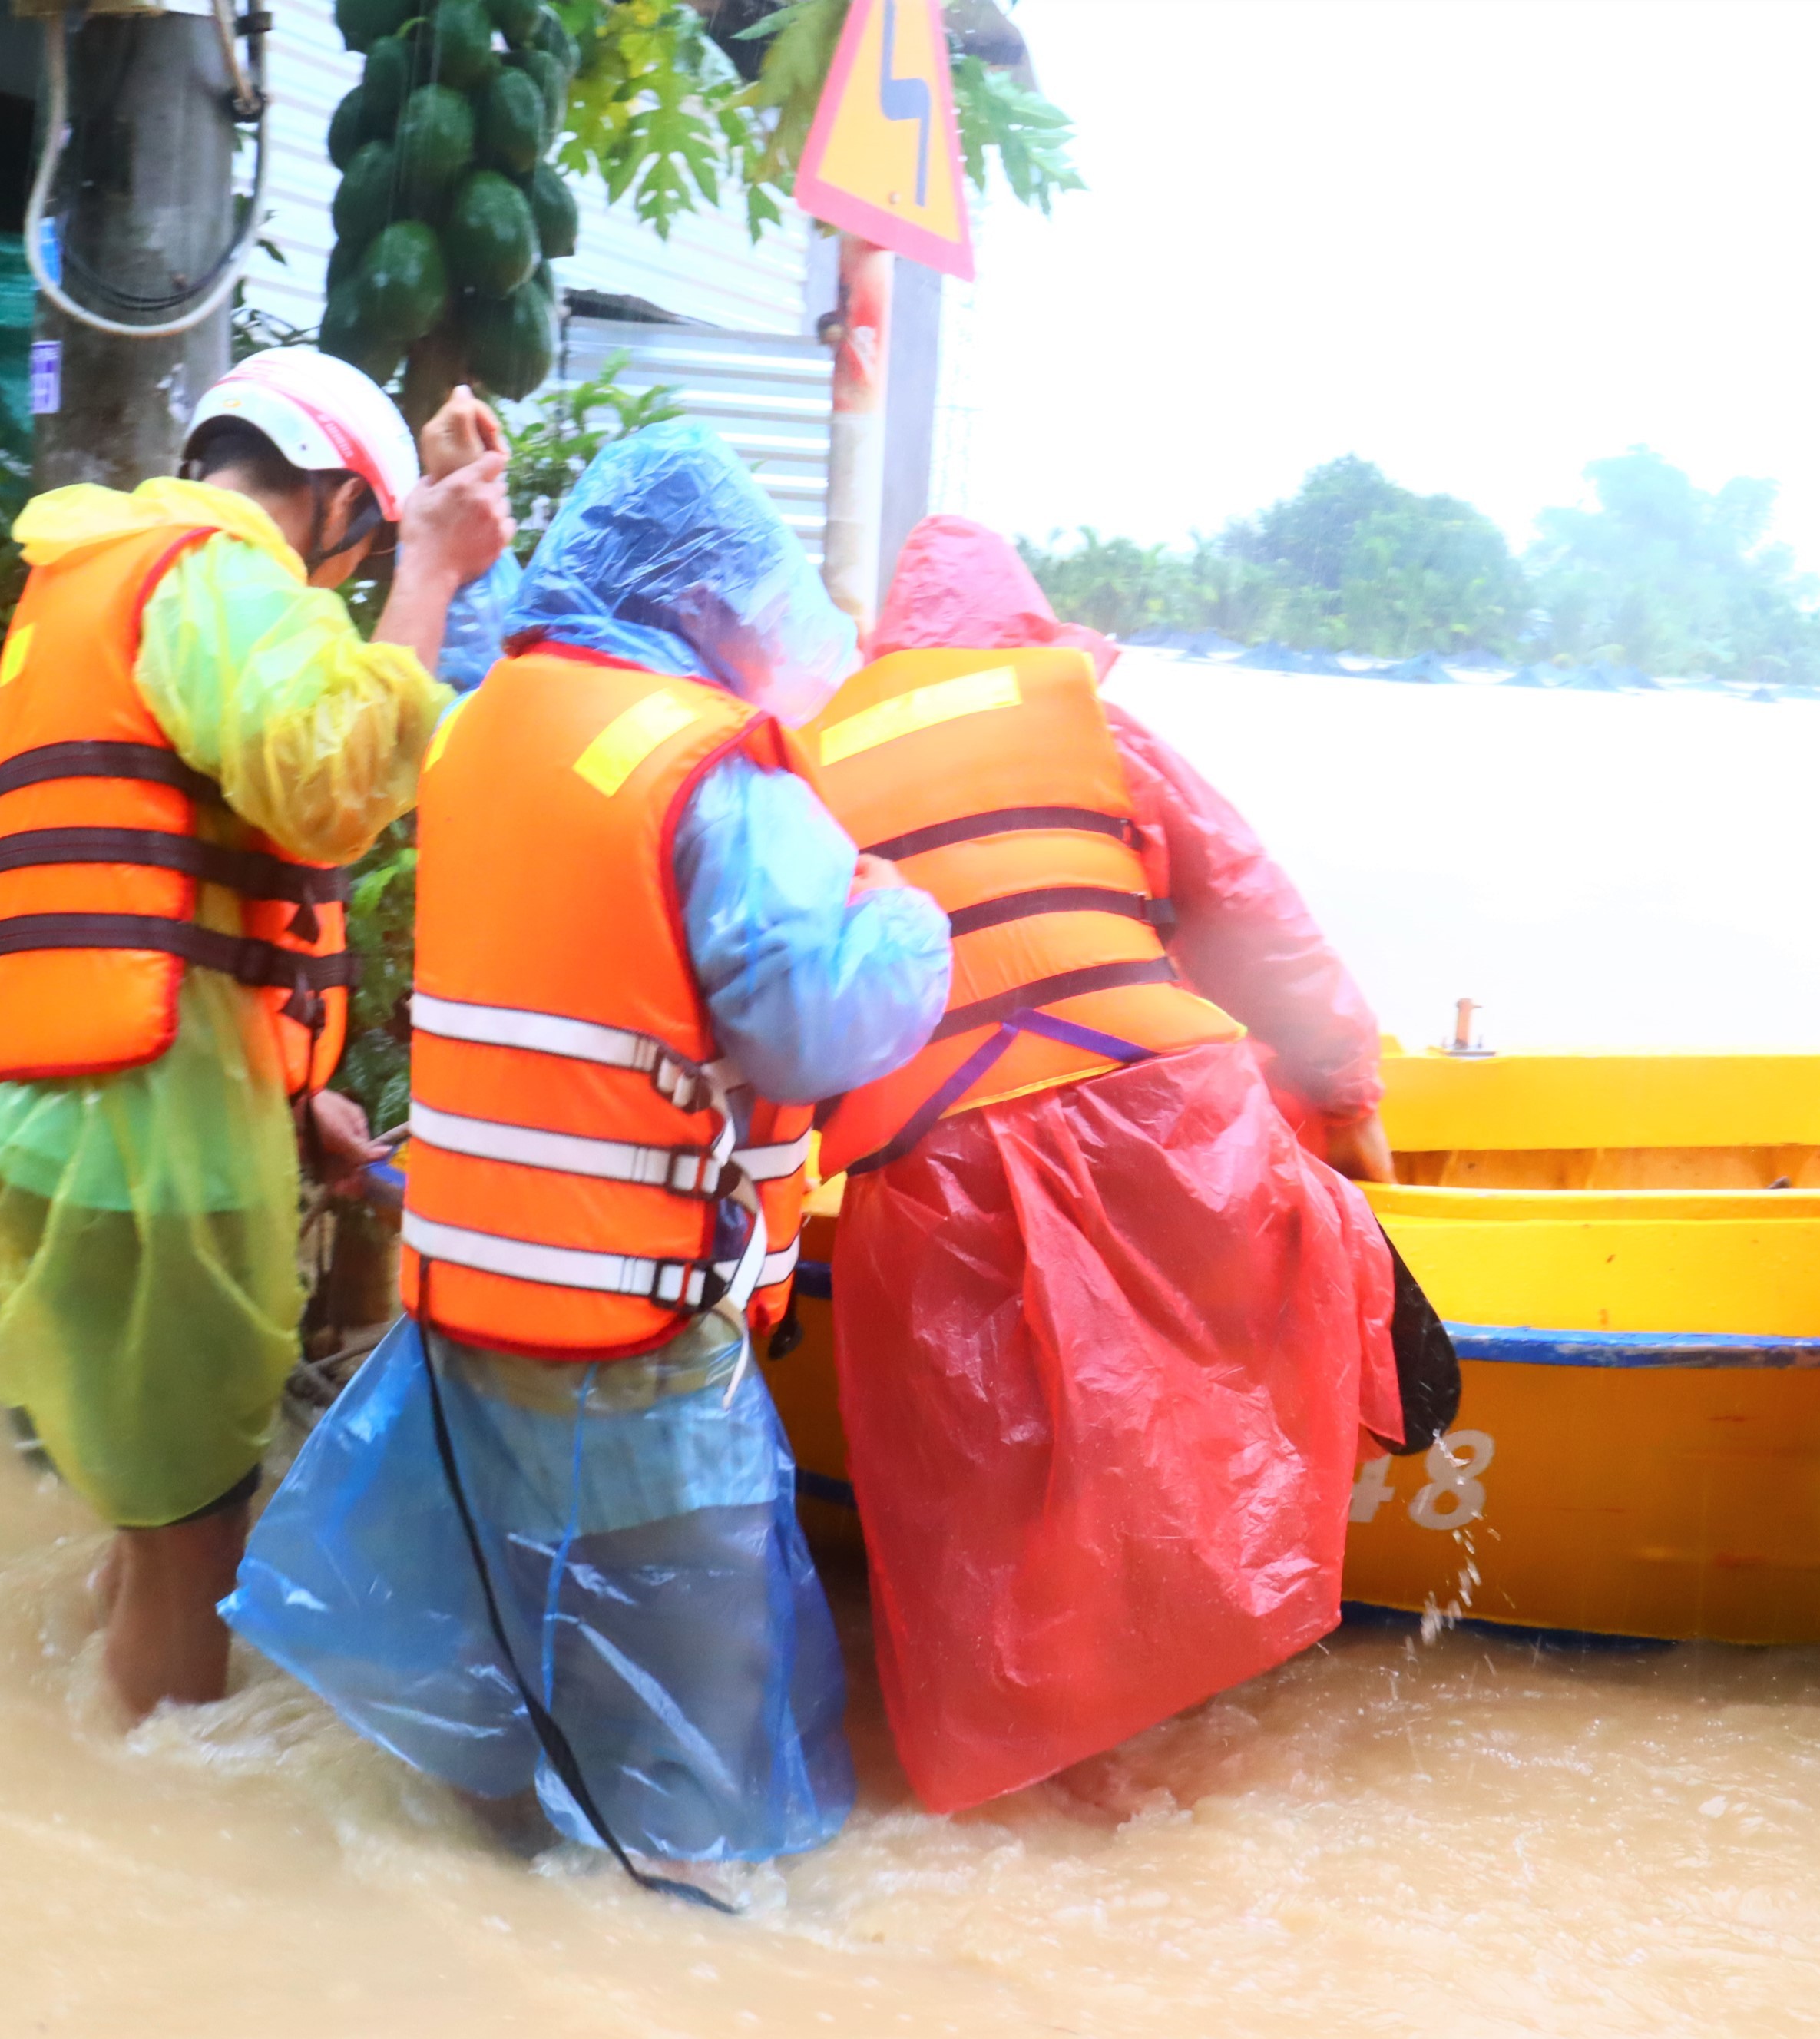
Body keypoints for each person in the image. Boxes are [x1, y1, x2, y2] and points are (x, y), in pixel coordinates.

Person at [223, 423, 949, 1888]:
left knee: (525, 1682)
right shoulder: (706, 768)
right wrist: (903, 915)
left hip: (471, 1321)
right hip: (636, 1345)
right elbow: (814, 1018)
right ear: (714, 599)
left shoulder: (482, 723)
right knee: (687, 1775)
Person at [801, 515, 1408, 1814]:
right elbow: (1258, 918)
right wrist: (1347, 1099)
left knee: (984, 1484)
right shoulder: (1092, 726)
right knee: (1193, 1425)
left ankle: (1044, 1781)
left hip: (933, 1163)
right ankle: (1183, 1742)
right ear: (1032, 628)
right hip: (1166, 1125)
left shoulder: (814, 762)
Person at [0, 346, 512, 1722]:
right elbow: (325, 784)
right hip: (148, 1140)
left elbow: (176, 884)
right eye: (360, 553)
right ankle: (154, 1835)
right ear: (330, 504)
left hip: (54, 1118)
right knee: (199, 1532)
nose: (341, 587)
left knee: (152, 1512)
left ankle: (83, 1732)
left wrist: (289, 1092)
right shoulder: (218, 573)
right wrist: (429, 577)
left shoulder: (103, 570)